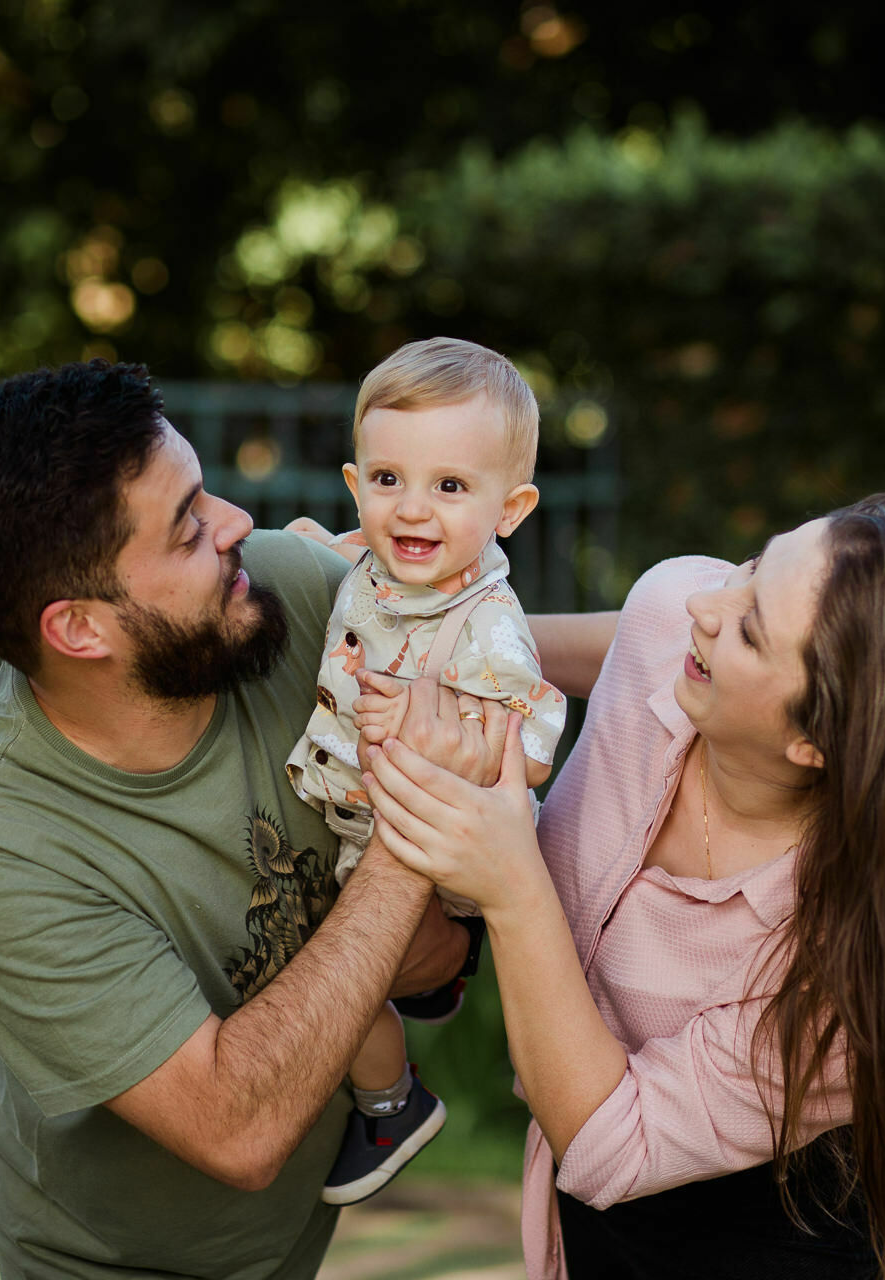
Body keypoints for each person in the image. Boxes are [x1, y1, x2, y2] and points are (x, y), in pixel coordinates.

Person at [0, 360, 534, 1279]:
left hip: (292, 1254)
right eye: (189, 528)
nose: (239, 523)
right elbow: (238, 1127)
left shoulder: (278, 589)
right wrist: (410, 838)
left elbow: (490, 658)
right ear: (80, 630)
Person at [358, 494, 885, 1280]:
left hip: (763, 1240)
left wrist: (513, 886)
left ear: (814, 740)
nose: (705, 603)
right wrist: (418, 617)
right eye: (751, 566)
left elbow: (608, 1144)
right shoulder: (678, 624)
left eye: (752, 625)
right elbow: (629, 636)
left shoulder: (835, 973)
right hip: (588, 1229)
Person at [285, 338, 569, 1205]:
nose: (412, 511)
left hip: (415, 838)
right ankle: (435, 981)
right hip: (354, 808)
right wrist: (303, 542)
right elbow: (339, 554)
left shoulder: (489, 632)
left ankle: (392, 1104)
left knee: (321, 978)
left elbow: (528, 747)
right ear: (355, 483)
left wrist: (435, 740)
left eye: (450, 487)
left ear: (510, 508)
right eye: (387, 481)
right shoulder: (383, 561)